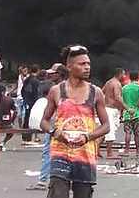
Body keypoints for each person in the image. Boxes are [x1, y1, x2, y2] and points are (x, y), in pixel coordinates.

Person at [40, 45, 110, 198]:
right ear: (69, 67)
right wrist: (55, 132)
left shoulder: (96, 92)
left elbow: (106, 126)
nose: (87, 67)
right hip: (60, 153)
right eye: (82, 64)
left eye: (88, 64)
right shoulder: (56, 91)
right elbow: (44, 121)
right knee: (58, 194)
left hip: (85, 156)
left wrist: (87, 137)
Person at [28, 65, 68, 192]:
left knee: (50, 153)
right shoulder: (63, 88)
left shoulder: (59, 89)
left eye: (53, 73)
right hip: (56, 125)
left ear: (60, 74)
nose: (50, 75)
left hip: (57, 125)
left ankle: (44, 180)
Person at [100, 68, 126, 159]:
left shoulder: (108, 82)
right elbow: (118, 97)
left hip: (108, 109)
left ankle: (96, 151)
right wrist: (127, 107)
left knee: (104, 131)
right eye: (123, 74)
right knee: (110, 131)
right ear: (119, 74)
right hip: (111, 109)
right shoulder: (116, 83)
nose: (124, 76)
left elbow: (101, 92)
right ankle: (109, 153)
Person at [120, 71, 139, 156]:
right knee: (137, 133)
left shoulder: (124, 88)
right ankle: (138, 151)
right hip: (137, 113)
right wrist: (138, 105)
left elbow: (122, 101)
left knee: (127, 132)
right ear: (138, 78)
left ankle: (127, 151)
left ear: (129, 78)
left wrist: (121, 113)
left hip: (127, 113)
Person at [21, 66, 41, 143]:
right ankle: (32, 136)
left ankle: (25, 136)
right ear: (37, 71)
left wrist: (25, 99)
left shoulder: (27, 80)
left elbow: (23, 90)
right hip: (33, 102)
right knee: (34, 119)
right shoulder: (36, 81)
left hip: (27, 101)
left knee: (26, 118)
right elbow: (36, 92)